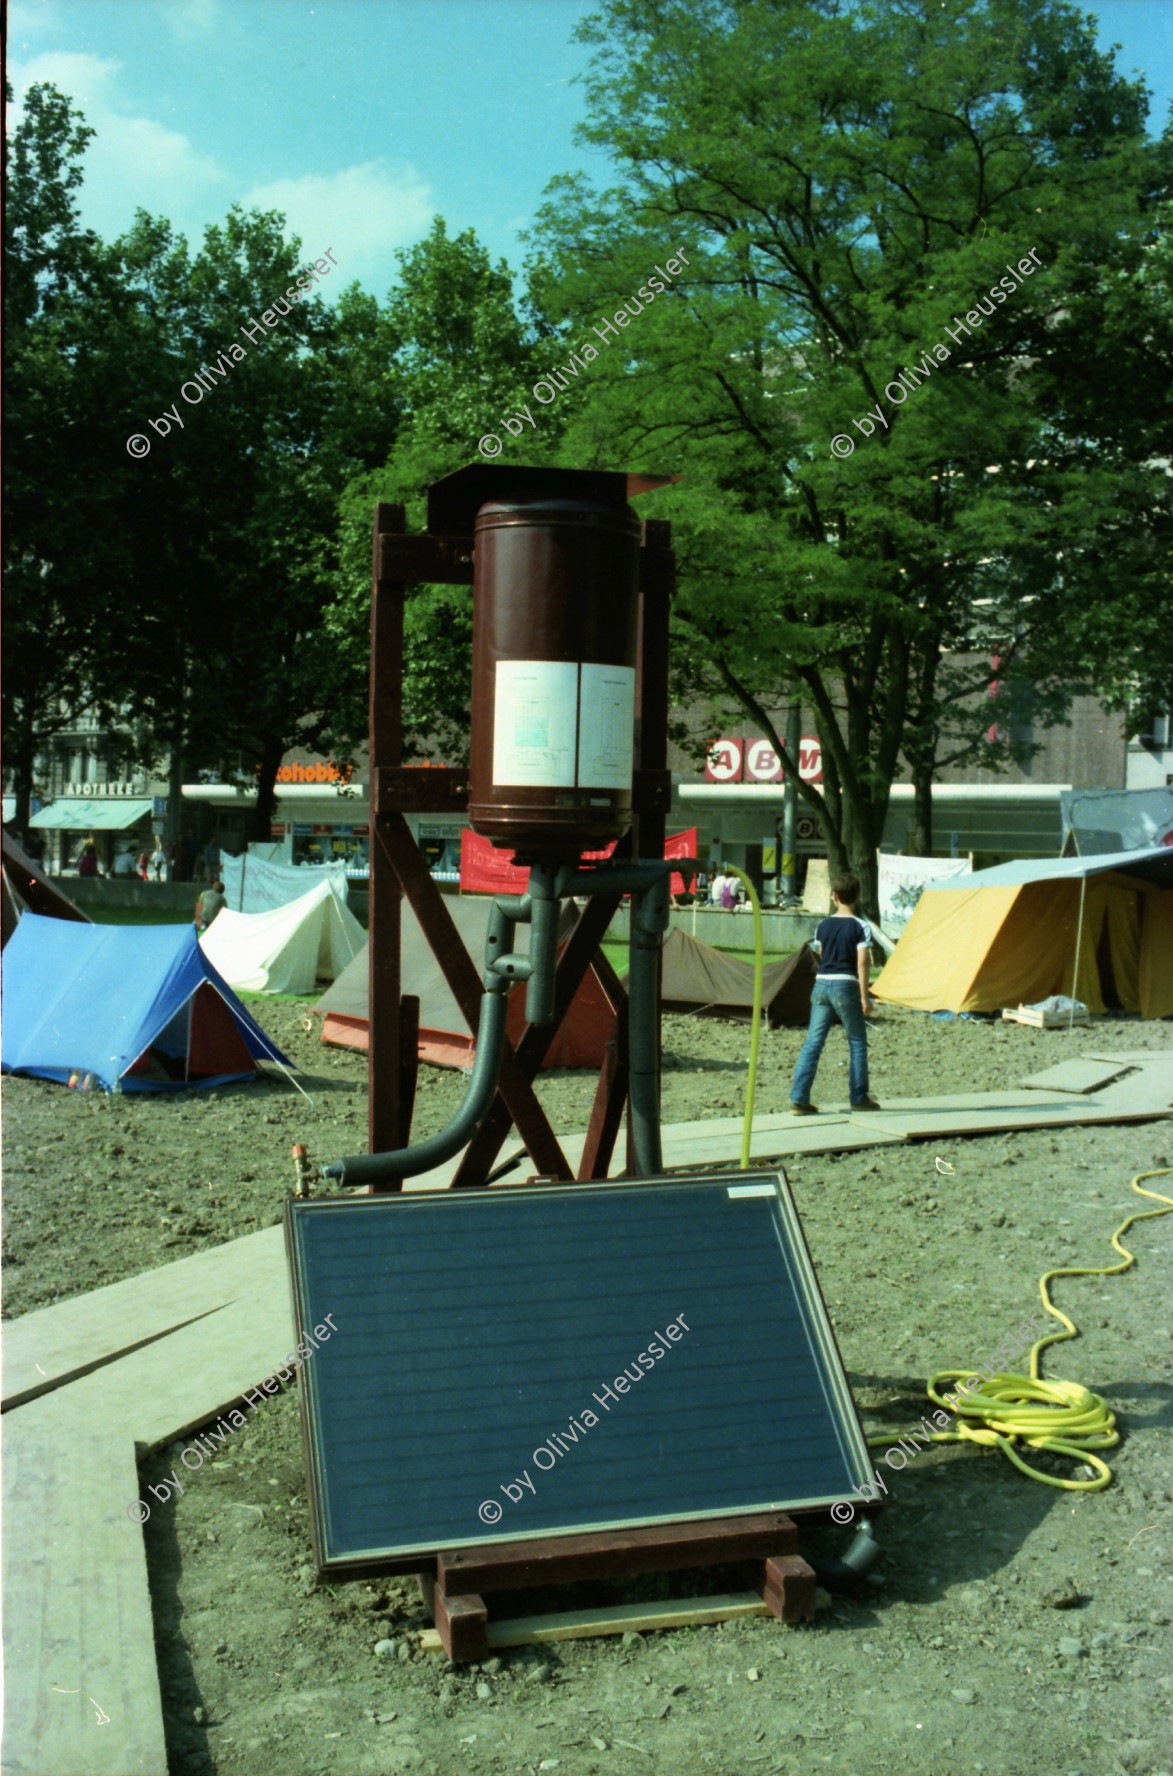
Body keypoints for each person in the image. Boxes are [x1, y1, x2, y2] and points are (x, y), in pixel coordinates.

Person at [789, 871, 881, 1113]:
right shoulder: (861, 926)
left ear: (834, 896)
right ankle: (859, 1097)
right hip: (846, 984)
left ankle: (799, 1098)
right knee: (857, 1041)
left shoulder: (823, 925)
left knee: (813, 1042)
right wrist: (864, 996)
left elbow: (819, 952)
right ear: (857, 897)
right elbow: (862, 962)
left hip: (821, 984)